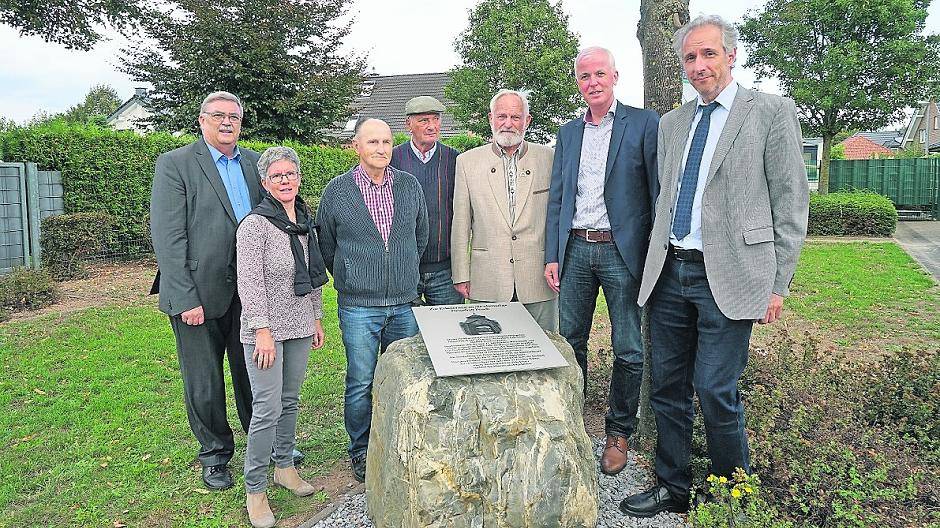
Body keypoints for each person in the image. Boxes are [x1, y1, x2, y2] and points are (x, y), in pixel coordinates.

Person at [620, 15, 809, 518]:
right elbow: (665, 198)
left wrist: (778, 282)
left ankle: (733, 494)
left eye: (708, 54)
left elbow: (791, 203)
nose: (699, 65)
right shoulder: (673, 123)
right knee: (666, 387)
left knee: (715, 388)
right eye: (690, 57)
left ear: (730, 55)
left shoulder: (769, 112)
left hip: (731, 275)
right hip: (670, 274)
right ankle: (673, 486)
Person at [151, 91, 300, 491]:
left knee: (254, 369)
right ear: (202, 121)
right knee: (204, 380)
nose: (227, 122)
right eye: (218, 116)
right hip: (198, 293)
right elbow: (168, 237)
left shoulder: (256, 163)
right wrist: (185, 298)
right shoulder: (176, 164)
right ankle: (215, 454)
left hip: (251, 291)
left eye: (234, 116)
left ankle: (263, 440)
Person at [543, 47, 659, 476]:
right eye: (584, 76)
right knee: (570, 342)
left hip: (620, 252)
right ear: (579, 82)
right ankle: (571, 424)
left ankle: (619, 431)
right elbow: (558, 197)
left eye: (599, 74)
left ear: (615, 76)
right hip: (575, 250)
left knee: (628, 347)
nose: (592, 82)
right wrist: (553, 254)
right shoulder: (568, 132)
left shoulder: (645, 123)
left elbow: (657, 190)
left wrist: (651, 253)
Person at [317, 118, 429, 483]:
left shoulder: (409, 186)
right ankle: (362, 450)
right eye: (373, 142)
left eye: (386, 141)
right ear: (356, 147)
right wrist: (352, 273)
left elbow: (421, 235)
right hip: (359, 306)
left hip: (403, 303)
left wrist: (403, 269)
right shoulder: (337, 191)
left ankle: (401, 441)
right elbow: (327, 244)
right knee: (361, 381)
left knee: (404, 378)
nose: (381, 149)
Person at [236, 146, 327, 527]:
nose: (285, 180)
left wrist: (317, 318)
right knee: (267, 407)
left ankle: (284, 466)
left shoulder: (305, 222)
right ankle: (255, 489)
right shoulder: (254, 226)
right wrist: (262, 332)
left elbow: (312, 276)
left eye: (290, 174)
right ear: (264, 183)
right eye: (277, 176)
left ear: (299, 178)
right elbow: (250, 283)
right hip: (266, 332)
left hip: (301, 324)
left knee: (290, 401)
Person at [451, 89, 558, 331]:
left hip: (538, 280)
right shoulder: (467, 162)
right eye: (501, 117)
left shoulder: (550, 158)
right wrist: (460, 273)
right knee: (488, 357)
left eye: (515, 117)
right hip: (487, 279)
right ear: (491, 119)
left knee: (545, 356)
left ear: (527, 121)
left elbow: (557, 217)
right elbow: (461, 223)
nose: (508, 124)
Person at [390, 96, 463, 306]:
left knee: (447, 335)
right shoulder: (392, 160)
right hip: (403, 270)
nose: (432, 126)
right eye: (424, 121)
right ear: (408, 124)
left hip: (445, 272)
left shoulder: (455, 160)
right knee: (406, 337)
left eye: (436, 119)